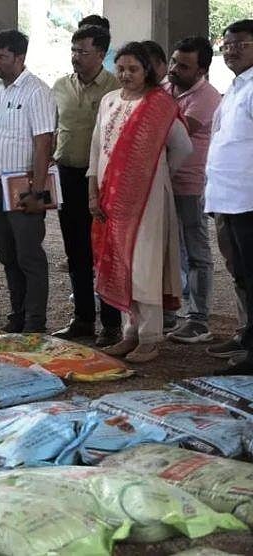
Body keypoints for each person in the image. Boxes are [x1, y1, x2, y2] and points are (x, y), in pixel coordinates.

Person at [90, 42, 192, 364]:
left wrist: (154, 172)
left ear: (147, 70)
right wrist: (94, 191)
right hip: (110, 196)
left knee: (143, 265)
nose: (126, 74)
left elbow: (183, 148)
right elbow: (96, 151)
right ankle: (128, 333)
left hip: (147, 199)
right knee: (119, 262)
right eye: (121, 68)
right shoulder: (108, 101)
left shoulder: (159, 105)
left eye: (133, 69)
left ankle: (149, 338)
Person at [50, 24, 122, 345]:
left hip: (104, 181)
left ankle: (111, 324)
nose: (76, 57)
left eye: (83, 51)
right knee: (75, 249)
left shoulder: (116, 88)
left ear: (101, 54)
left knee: (104, 251)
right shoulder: (60, 86)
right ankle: (82, 319)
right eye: (74, 50)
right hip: (66, 175)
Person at [0, 29, 57, 333]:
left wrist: (38, 193)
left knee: (29, 255)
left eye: (2, 56)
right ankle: (18, 314)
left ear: (20, 57)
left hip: (24, 185)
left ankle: (34, 321)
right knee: (7, 254)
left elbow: (44, 144)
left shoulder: (37, 91)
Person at [164, 36, 221, 344]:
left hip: (191, 185)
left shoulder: (207, 97)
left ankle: (198, 319)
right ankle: (170, 312)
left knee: (196, 251)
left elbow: (175, 134)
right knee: (168, 249)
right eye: (173, 62)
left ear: (201, 70)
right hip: (163, 183)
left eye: (183, 66)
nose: (174, 69)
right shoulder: (166, 88)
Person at [205, 19, 253, 374]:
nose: (231, 49)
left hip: (249, 199)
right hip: (227, 197)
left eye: (241, 44)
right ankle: (247, 338)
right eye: (227, 43)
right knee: (240, 273)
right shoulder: (236, 87)